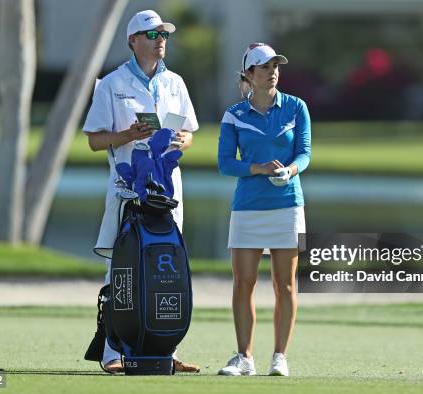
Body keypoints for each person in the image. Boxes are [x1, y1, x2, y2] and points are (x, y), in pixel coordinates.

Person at [82, 9, 200, 374]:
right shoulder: (111, 84)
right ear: (133, 40)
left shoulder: (175, 83)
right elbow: (95, 140)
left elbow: (189, 133)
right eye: (152, 35)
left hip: (168, 189)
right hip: (127, 188)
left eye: (163, 34)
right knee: (120, 267)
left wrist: (183, 139)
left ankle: (166, 349)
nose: (160, 39)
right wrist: (127, 136)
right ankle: (112, 353)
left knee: (168, 267)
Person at [216, 43, 311, 377]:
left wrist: (290, 170)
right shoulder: (234, 115)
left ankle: (279, 357)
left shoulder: (296, 107)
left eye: (275, 66)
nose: (272, 72)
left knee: (285, 285)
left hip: (288, 206)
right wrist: (256, 168)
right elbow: (226, 164)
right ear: (249, 75)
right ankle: (244, 357)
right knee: (243, 282)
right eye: (264, 67)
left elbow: (304, 153)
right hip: (247, 209)